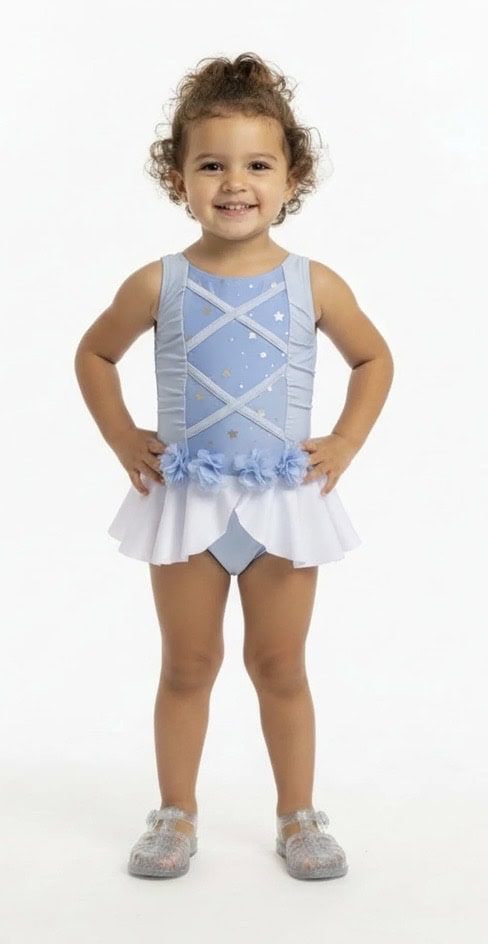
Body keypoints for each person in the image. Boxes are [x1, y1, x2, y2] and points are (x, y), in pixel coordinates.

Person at [74, 51, 394, 882]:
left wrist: (347, 442)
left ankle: (297, 813)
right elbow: (95, 353)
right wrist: (121, 437)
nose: (234, 182)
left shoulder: (312, 283)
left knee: (280, 665)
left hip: (284, 503)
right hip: (187, 500)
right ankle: (175, 810)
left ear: (293, 178)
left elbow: (374, 360)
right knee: (187, 664)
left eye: (258, 164)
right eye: (211, 164)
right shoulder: (159, 282)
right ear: (179, 178)